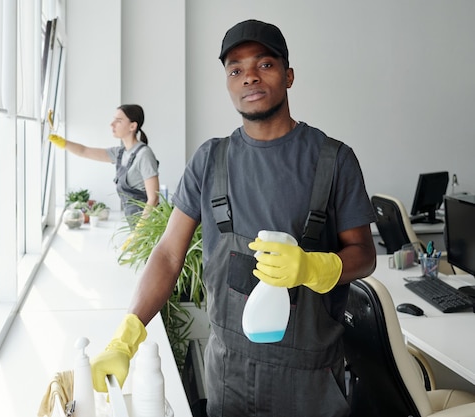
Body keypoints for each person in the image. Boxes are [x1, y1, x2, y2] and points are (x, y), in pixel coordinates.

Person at [89, 19, 377, 417]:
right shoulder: (211, 160)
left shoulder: (334, 160)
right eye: (236, 70)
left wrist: (317, 267)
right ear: (227, 83)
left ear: (288, 75)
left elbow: (364, 254)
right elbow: (170, 254)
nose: (249, 78)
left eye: (265, 65)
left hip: (312, 381)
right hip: (229, 376)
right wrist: (127, 334)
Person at [48, 104, 159, 226]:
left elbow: (153, 198)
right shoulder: (120, 153)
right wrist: (62, 142)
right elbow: (84, 151)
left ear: (132, 126)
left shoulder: (144, 154)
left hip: (149, 226)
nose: (112, 124)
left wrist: (140, 230)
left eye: (119, 121)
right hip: (135, 224)